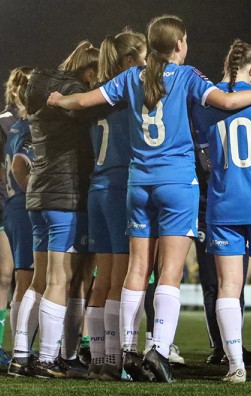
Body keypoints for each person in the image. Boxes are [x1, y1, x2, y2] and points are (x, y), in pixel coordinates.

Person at [48, 15, 251, 383]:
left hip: (139, 184)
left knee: (137, 268)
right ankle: (157, 349)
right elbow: (226, 100)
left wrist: (59, 100)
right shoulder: (187, 76)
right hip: (177, 183)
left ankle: (126, 349)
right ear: (178, 44)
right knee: (170, 271)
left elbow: (84, 101)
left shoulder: (131, 77)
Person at [191, 40, 251, 383]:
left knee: (228, 287)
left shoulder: (205, 104)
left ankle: (235, 365)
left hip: (223, 203)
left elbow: (205, 156)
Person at [24, 42, 100, 378]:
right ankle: (48, 358)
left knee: (38, 282)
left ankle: (20, 355)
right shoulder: (75, 97)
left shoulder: (42, 92)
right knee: (61, 281)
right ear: (89, 71)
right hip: (66, 197)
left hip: (40, 195)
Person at [84, 30, 147, 380]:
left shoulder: (97, 96)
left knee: (103, 279)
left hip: (97, 189)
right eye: (143, 56)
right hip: (120, 187)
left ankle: (98, 360)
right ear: (129, 61)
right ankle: (114, 360)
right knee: (121, 280)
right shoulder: (127, 95)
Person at [0, 68, 30, 366]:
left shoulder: (39, 120)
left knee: (30, 276)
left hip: (31, 208)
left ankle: (24, 346)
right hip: (5, 206)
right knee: (3, 273)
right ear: (14, 90)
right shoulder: (1, 123)